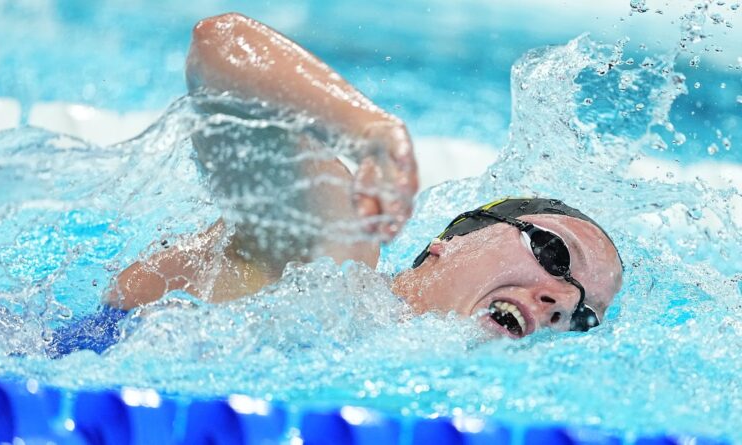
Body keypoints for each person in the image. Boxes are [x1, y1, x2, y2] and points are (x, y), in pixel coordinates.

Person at [47, 13, 622, 357]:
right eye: (550, 252)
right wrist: (369, 132)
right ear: (448, 243)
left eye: (583, 317)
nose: (562, 302)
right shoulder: (329, 264)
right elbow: (219, 48)